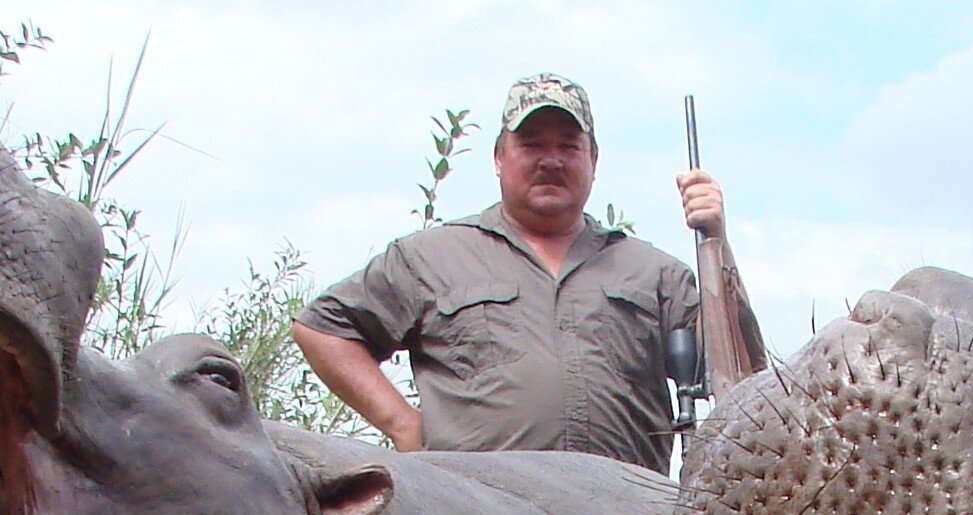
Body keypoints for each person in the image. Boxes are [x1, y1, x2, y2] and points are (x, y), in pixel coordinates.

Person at [294, 74, 727, 470]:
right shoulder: (431, 256)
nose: (551, 160)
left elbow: (739, 375)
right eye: (532, 144)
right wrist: (402, 424)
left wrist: (717, 242)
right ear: (499, 157)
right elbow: (324, 328)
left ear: (593, 159)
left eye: (568, 146)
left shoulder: (656, 273)